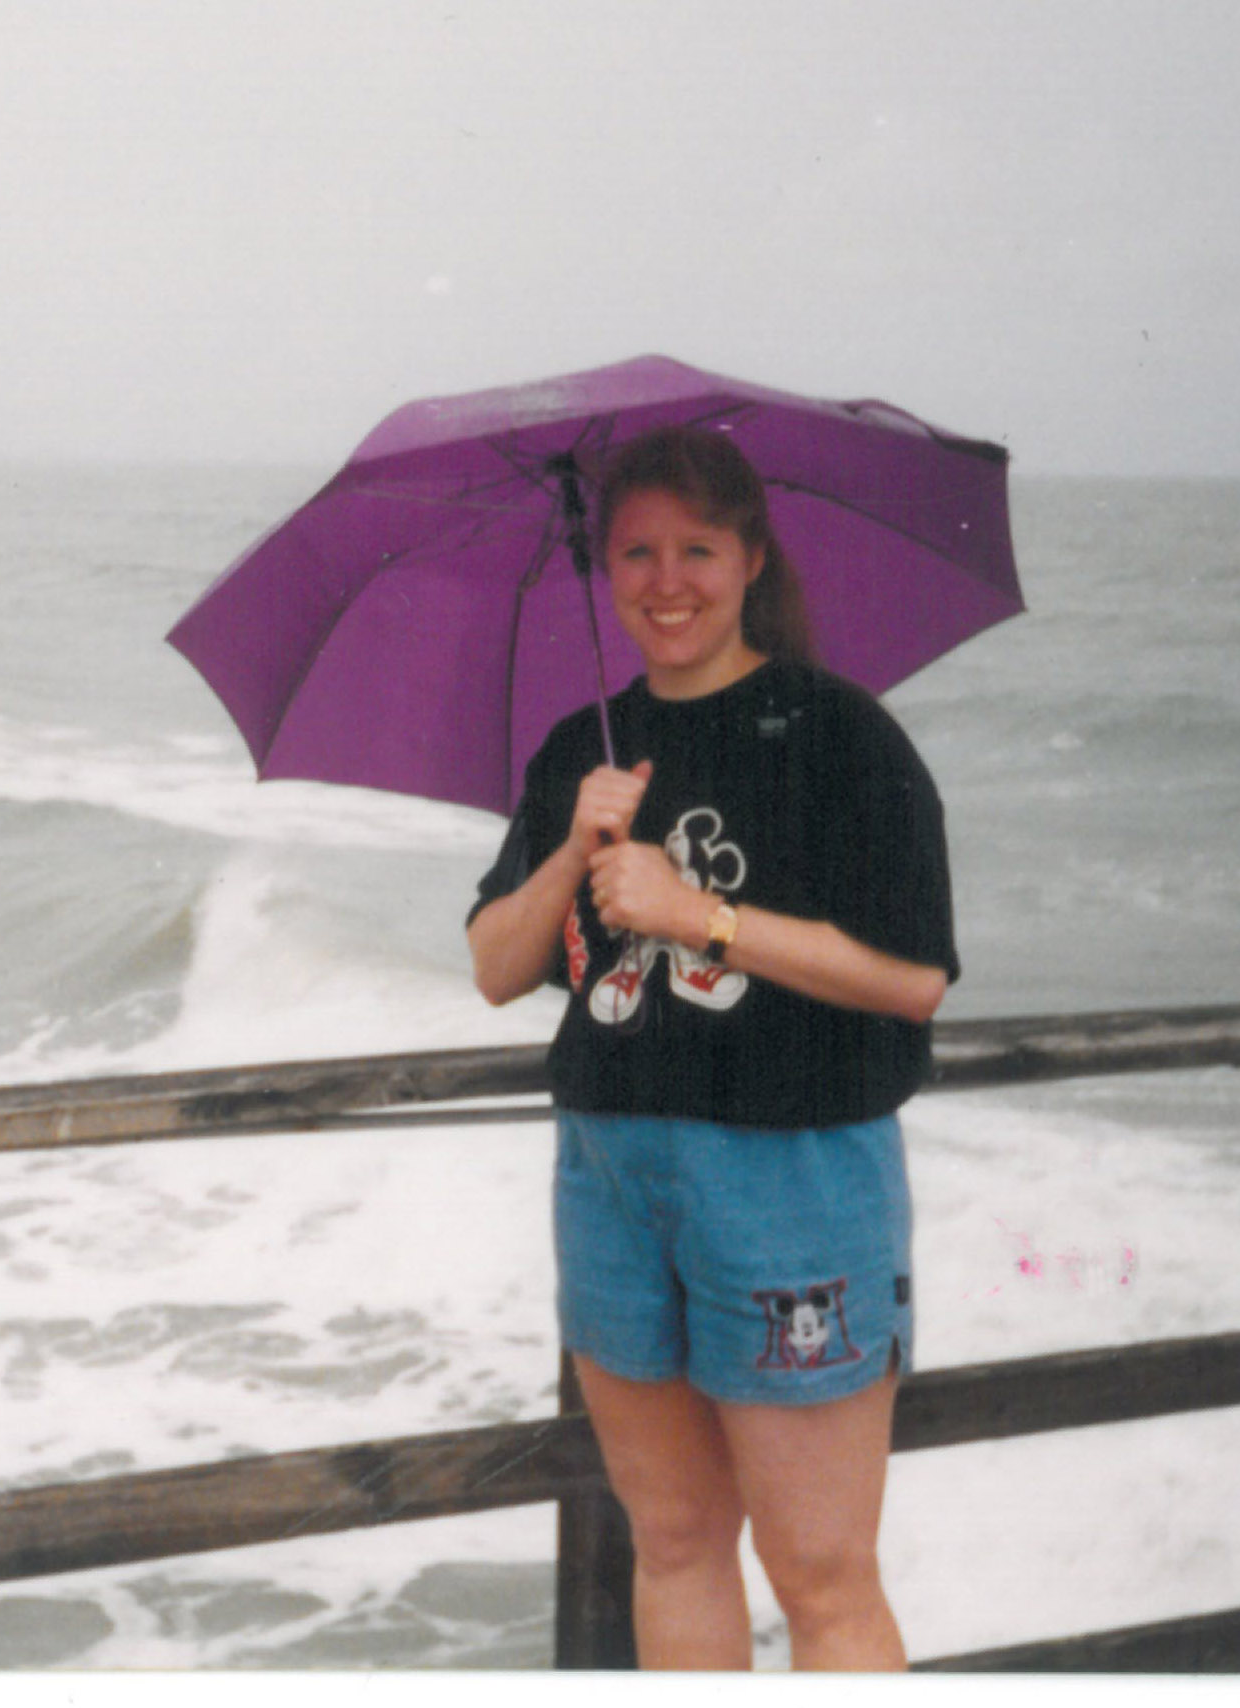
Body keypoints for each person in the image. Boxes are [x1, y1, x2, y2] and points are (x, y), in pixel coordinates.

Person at [466, 425, 960, 1671]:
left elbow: (911, 979)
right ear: (605, 569)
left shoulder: (841, 734)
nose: (666, 579)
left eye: (697, 547)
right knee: (676, 1537)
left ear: (749, 559)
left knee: (821, 1571)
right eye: (637, 551)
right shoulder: (581, 750)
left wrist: (703, 918)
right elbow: (494, 965)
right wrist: (576, 851)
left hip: (790, 1179)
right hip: (614, 1177)